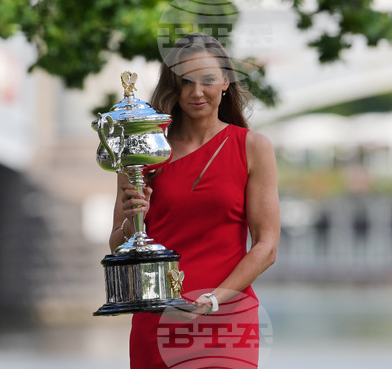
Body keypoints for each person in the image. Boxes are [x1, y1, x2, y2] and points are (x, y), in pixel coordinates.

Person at [109, 33, 280, 368]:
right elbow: (118, 246)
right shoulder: (143, 151)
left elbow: (267, 246)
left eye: (207, 80)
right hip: (159, 319)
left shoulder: (253, 147)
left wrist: (213, 300)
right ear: (173, 85)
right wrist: (133, 219)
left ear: (226, 81)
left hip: (227, 318)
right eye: (186, 81)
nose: (196, 92)